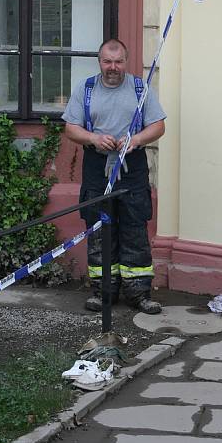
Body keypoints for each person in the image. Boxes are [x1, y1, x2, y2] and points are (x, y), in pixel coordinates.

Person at [62, 38, 166, 314]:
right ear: (100, 62)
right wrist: (94, 138)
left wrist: (135, 140)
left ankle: (139, 293)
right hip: (97, 166)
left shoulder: (140, 88)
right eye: (107, 62)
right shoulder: (85, 89)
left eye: (118, 62)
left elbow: (158, 126)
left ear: (125, 62)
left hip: (132, 167)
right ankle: (102, 292)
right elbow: (71, 128)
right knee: (100, 229)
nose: (113, 67)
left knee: (134, 229)